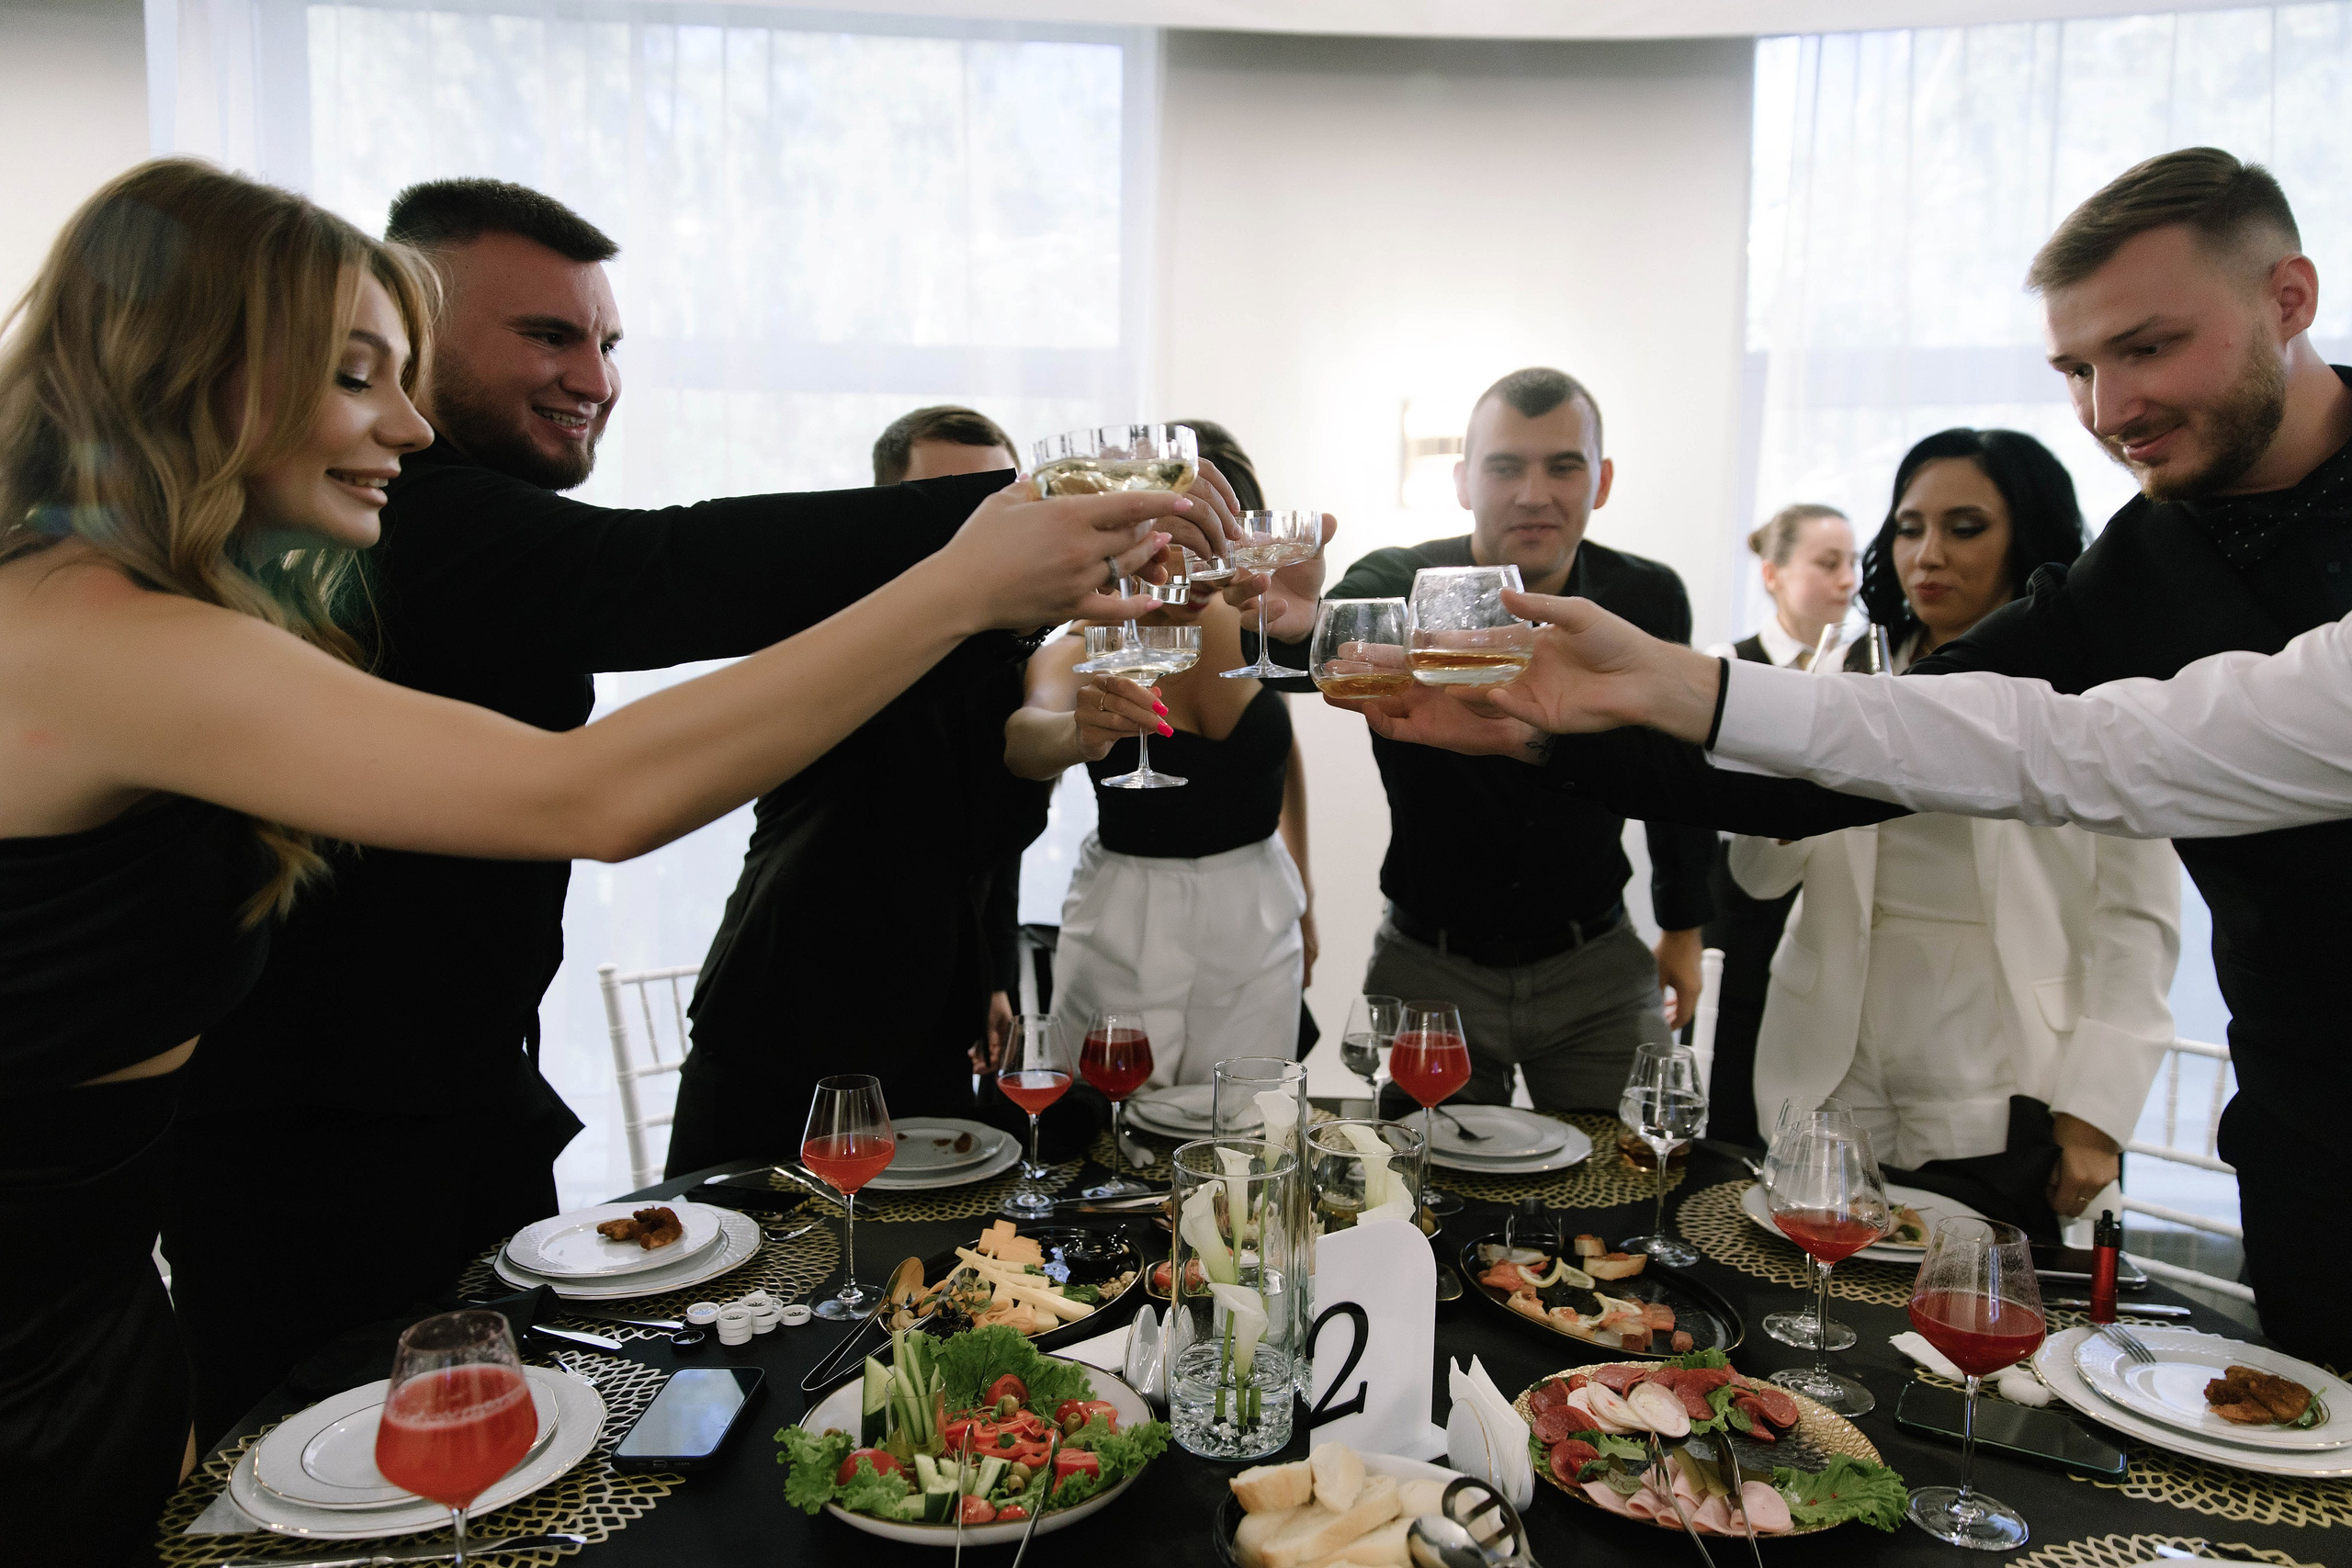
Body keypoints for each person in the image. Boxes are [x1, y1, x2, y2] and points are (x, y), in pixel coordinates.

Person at [0, 161, 1187, 1564]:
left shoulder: (143, 611)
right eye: (357, 375)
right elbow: (596, 787)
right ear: (205, 373)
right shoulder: (99, 634)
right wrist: (962, 578)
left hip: (93, 1289)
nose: (410, 424)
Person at [1340, 149, 2352, 1359]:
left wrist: (1676, 687)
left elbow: (2070, 757)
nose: (2108, 408)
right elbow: (1865, 756)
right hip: (2302, 1118)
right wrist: (1554, 731)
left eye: (2147, 347)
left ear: (2289, 298)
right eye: (2079, 369)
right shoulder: (2144, 563)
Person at [1728, 432, 2177, 1238]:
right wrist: (1784, 763)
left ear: (2026, 537)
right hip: (1832, 1050)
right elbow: (1757, 876)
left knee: (1975, 1283)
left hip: (1997, 1057)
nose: (1927, 554)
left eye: (1965, 528)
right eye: (1909, 528)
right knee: (1817, 1276)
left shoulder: (2094, 688)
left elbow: (2137, 917)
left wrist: (2097, 1113)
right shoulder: (1851, 672)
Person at [1241, 367, 1716, 1112]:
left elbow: (1676, 768)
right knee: (1419, 1181)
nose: (1533, 493)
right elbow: (1320, 649)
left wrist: (1684, 927)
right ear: (1463, 481)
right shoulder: (1400, 577)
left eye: (1563, 466)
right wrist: (1295, 624)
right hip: (1430, 969)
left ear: (1602, 481)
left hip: (1596, 965)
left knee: (1633, 1164)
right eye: (1505, 466)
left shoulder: (1648, 595)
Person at [1007, 421, 1316, 1085]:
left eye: (1225, 543)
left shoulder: (1252, 626)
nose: (1205, 565)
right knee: (1113, 1110)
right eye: (1190, 539)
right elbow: (1024, 738)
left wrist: (1306, 893)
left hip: (1258, 911)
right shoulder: (1084, 642)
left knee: (1250, 1115)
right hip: (1126, 914)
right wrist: (1077, 736)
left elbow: (1281, 759)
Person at [871, 405, 1029, 1075]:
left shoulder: (1014, 649)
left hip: (949, 1009)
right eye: (946, 502)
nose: (973, 530)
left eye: (994, 506)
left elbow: (998, 842)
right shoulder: (848, 631)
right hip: (799, 1005)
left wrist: (993, 975)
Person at [1698, 503, 1857, 1143]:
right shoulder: (1727, 666)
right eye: (1828, 563)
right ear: (1772, 574)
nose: (1848, 580)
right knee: (1728, 1107)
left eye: (1853, 563)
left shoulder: (1864, 676)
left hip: (1827, 924)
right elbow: (1711, 811)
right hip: (1742, 920)